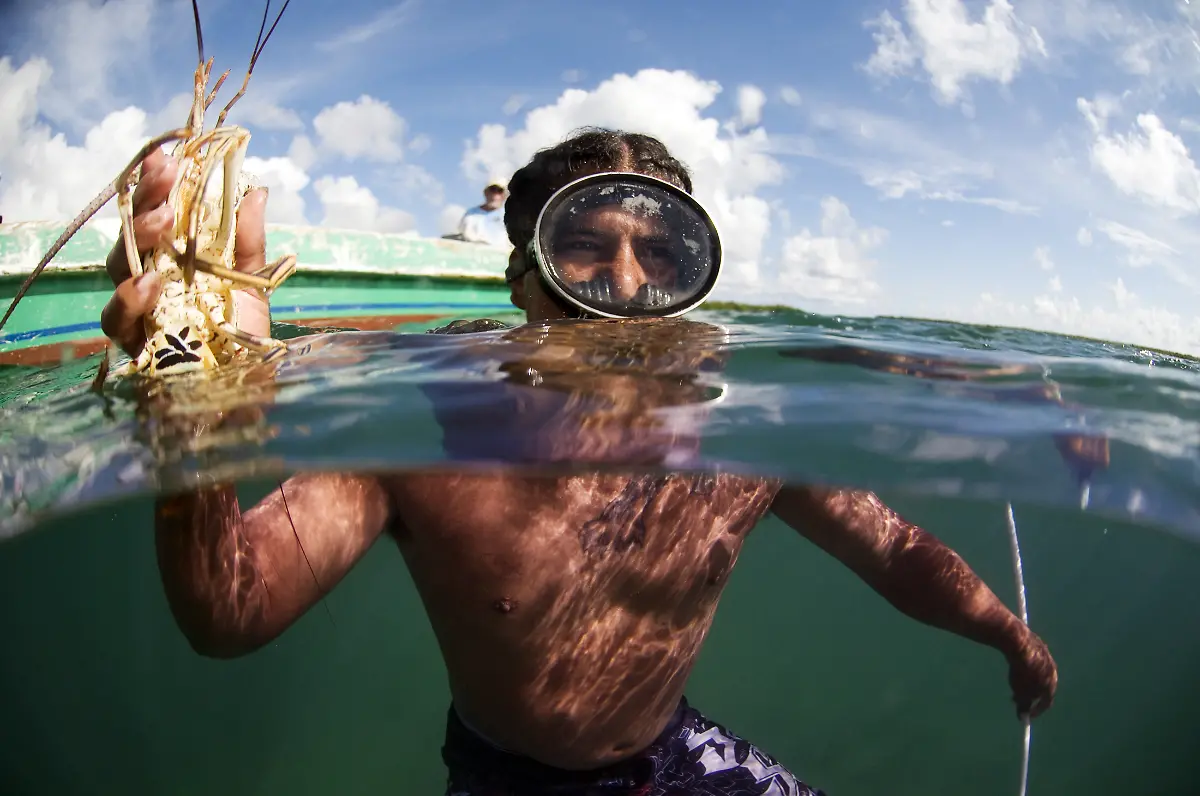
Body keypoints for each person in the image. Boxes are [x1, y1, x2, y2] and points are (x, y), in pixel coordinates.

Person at [99, 128, 1057, 796]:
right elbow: (231, 611)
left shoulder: (737, 436)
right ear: (525, 280)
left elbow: (892, 549)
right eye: (584, 249)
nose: (627, 288)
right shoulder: (433, 428)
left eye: (662, 255)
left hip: (677, 751)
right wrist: (202, 427)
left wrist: (1004, 632)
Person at [456, 178, 510, 247]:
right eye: (492, 190)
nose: (495, 195)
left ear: (504, 196)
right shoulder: (470, 215)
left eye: (499, 191)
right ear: (486, 193)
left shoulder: (509, 216)